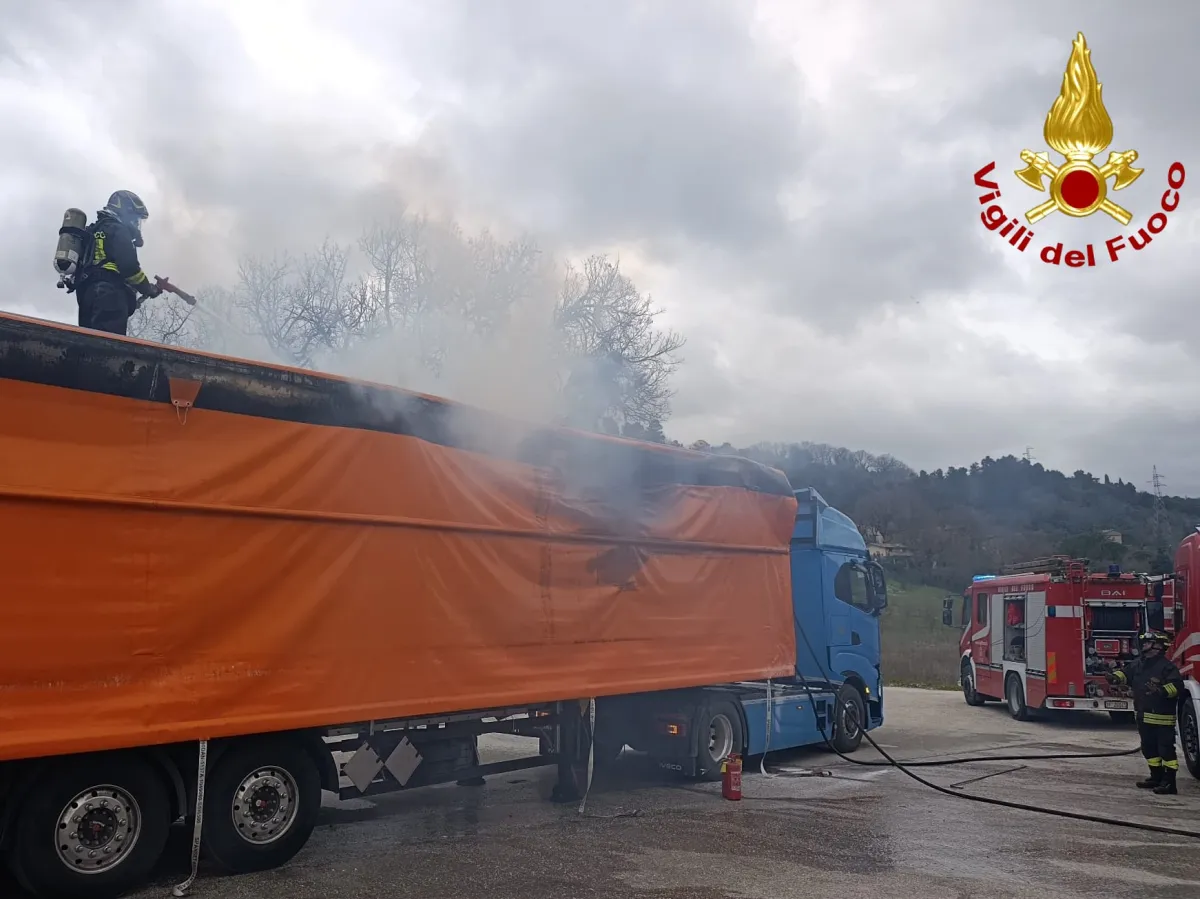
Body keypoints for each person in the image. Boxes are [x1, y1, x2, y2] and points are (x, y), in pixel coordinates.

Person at [1108, 631, 1185, 795]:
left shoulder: (1167, 667)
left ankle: (1169, 783)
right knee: (1148, 749)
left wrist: (1161, 691)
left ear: (1158, 646)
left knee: (1165, 750)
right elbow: (1126, 674)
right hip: (1143, 715)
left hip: (1163, 718)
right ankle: (1155, 777)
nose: (1143, 645)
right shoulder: (1140, 664)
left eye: (1147, 643)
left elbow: (1177, 687)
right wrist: (1114, 677)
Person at [76, 190, 162, 336]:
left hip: (86, 297)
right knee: (108, 349)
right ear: (125, 211)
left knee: (88, 347)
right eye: (135, 218)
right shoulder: (118, 228)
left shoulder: (93, 230)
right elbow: (129, 267)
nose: (136, 224)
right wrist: (147, 288)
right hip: (110, 295)